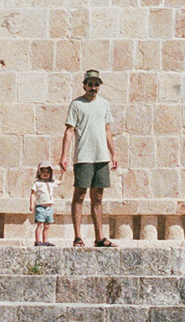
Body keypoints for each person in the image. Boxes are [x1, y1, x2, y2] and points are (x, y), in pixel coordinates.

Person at [58, 69, 118, 247]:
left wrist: (113, 152)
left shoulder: (104, 104)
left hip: (101, 156)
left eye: (96, 84)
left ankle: (99, 237)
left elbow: (107, 129)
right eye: (90, 84)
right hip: (84, 156)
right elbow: (69, 130)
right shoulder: (77, 105)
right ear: (84, 85)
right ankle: (78, 236)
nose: (93, 87)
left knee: (98, 197)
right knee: (80, 194)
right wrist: (64, 155)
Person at [29, 161, 57, 246]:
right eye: (43, 172)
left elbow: (60, 182)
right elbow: (33, 194)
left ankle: (46, 241)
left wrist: (63, 173)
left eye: (47, 172)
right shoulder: (37, 183)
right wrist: (31, 204)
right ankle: (38, 240)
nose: (45, 174)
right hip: (40, 207)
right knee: (40, 224)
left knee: (47, 226)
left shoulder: (51, 183)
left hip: (49, 208)